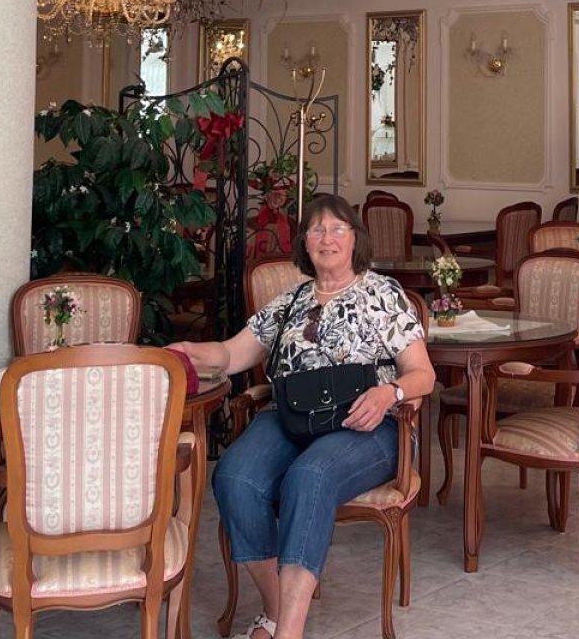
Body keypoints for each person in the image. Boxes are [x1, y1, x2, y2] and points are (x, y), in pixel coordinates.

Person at [172, 193, 434, 639]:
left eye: (337, 229)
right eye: (316, 229)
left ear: (355, 239)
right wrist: (188, 351)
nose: (326, 238)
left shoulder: (383, 293)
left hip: (368, 423)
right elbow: (232, 353)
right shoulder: (290, 301)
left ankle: (288, 632)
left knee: (309, 476)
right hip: (292, 417)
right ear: (305, 243)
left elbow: (423, 375)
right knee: (234, 478)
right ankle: (276, 610)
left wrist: (388, 393)